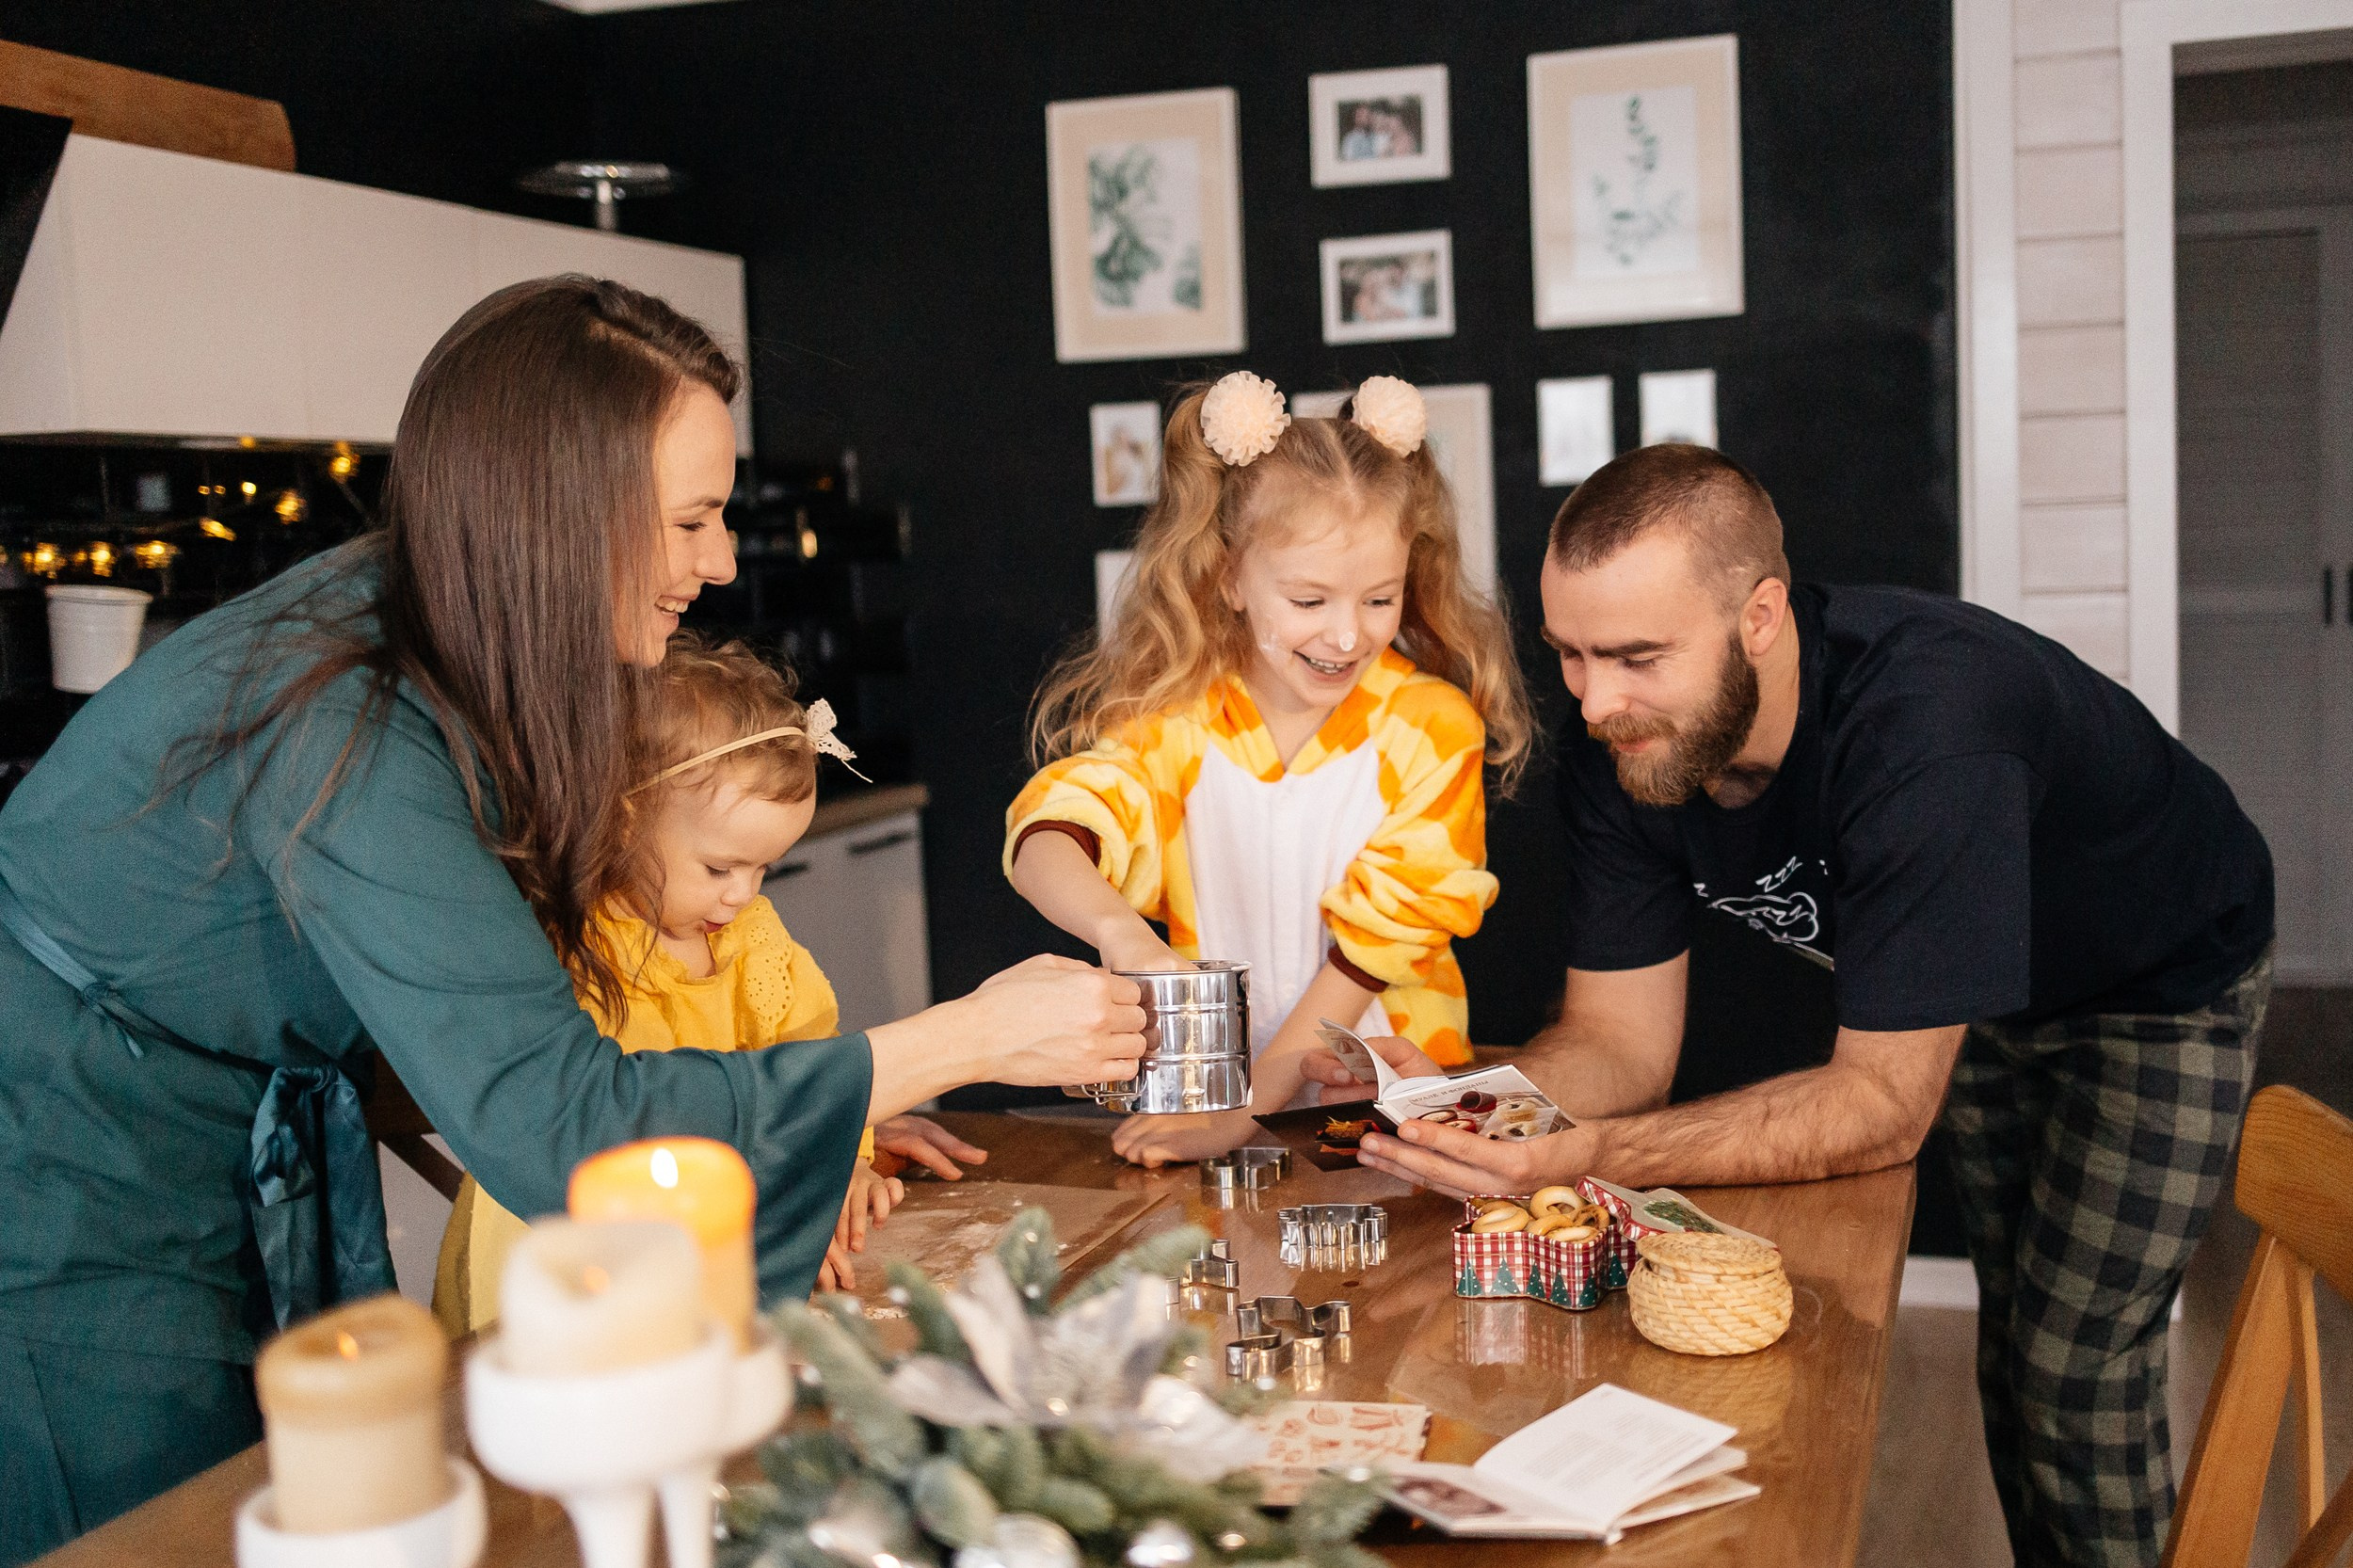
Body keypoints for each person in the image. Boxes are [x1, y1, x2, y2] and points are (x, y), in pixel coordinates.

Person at [0, 277, 1142, 1564]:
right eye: (694, 518)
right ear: (557, 512)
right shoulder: (357, 725)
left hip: (195, 1135)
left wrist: (826, 1104)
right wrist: (956, 1039)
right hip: (61, 1181)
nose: (718, 562)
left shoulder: (455, 625)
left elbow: (532, 1041)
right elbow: (570, 1131)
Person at [1308, 442, 2274, 1568]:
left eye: (1634, 656)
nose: (1595, 699)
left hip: (2157, 978)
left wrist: (1584, 1154)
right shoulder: (1619, 740)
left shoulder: (1927, 727)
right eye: (1568, 654)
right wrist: (1452, 1102)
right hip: (1981, 993)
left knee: (2074, 1365)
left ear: (1759, 616)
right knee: (2013, 1341)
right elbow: (1618, 1039)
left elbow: (1879, 1106)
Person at [1007, 372, 1530, 1167]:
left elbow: (1370, 953)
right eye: (1310, 600)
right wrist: (1121, 935)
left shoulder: (1431, 730)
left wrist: (1245, 1107)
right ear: (1230, 577)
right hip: (1228, 1110)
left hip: (1387, 1104)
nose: (1348, 636)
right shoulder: (1174, 724)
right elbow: (1050, 835)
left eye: (1380, 600)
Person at [433, 637, 976, 1334]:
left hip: (707, 1253)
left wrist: (847, 1162)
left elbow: (820, 1062)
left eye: (765, 869)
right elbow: (594, 1132)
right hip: (569, 1263)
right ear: (626, 820)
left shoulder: (754, 942)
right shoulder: (573, 947)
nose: (742, 895)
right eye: (720, 869)